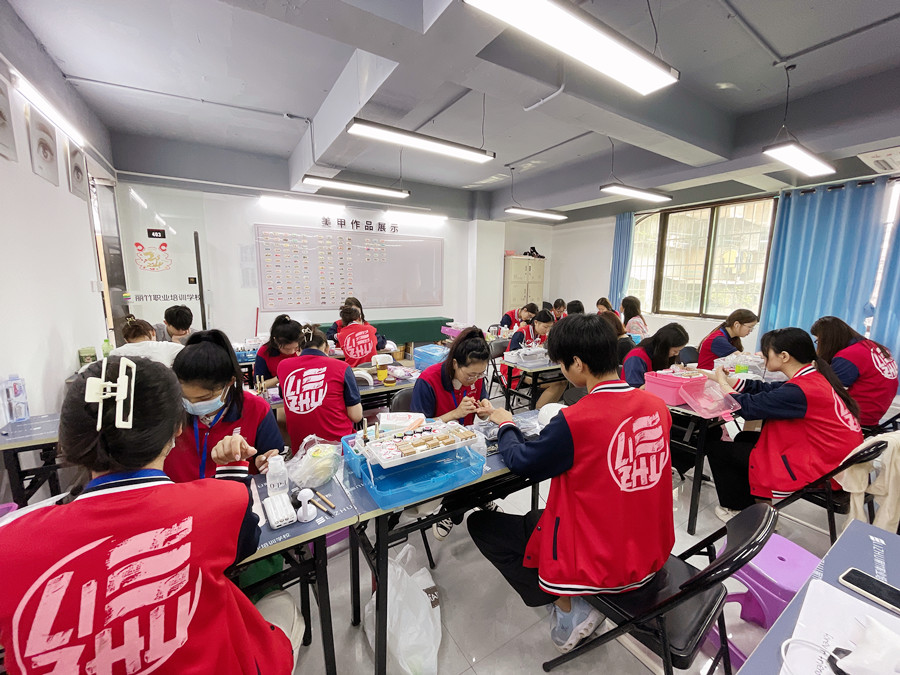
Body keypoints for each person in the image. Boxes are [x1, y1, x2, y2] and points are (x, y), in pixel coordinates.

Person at [0, 357, 300, 673]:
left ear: (67, 439)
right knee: (280, 604)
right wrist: (233, 469)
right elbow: (243, 540)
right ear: (176, 429)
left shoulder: (11, 542)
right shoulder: (217, 503)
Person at [467, 314, 674, 654]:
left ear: (578, 363)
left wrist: (505, 423)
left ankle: (568, 608)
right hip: (649, 548)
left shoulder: (576, 419)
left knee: (482, 525)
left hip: (605, 560)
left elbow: (521, 461)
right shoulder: (656, 406)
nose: (562, 371)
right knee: (535, 518)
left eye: (562, 364)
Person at [705, 327, 864, 522]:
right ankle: (759, 506)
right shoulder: (813, 377)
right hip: (833, 458)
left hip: (825, 468)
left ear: (784, 356)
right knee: (745, 437)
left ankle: (741, 512)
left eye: (766, 353)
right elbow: (766, 389)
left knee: (718, 449)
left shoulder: (801, 390)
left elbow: (747, 408)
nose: (763, 357)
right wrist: (719, 377)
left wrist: (722, 383)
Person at [411, 327, 496, 540]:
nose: (475, 379)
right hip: (435, 447)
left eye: (480, 374)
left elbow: (481, 405)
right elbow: (417, 428)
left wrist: (484, 409)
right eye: (470, 375)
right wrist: (455, 414)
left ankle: (476, 496)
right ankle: (451, 509)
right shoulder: (428, 381)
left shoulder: (476, 377)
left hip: (464, 443)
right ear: (456, 364)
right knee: (459, 471)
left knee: (491, 465)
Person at [167, 330, 283, 482]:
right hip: (179, 493)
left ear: (230, 382)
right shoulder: (168, 410)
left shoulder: (256, 409)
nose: (192, 404)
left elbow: (272, 457)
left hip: (237, 492)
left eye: (204, 398)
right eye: (185, 397)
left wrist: (266, 463)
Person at [278, 324, 363, 445]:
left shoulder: (283, 366)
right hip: (338, 447)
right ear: (327, 348)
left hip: (301, 448)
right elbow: (356, 416)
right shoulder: (341, 367)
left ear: (298, 350)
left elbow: (285, 397)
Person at [811, 316, 899, 426]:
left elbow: (825, 390)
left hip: (854, 417)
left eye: (818, 341)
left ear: (828, 340)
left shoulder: (849, 356)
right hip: (873, 414)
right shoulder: (873, 346)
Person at [509, 309, 567, 409]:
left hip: (535, 368)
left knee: (564, 382)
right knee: (557, 383)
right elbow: (514, 354)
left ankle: (547, 409)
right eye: (545, 327)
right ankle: (538, 410)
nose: (547, 330)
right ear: (536, 322)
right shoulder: (521, 333)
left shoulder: (541, 335)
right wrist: (533, 350)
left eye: (550, 327)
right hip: (517, 370)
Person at [623, 323, 689, 387]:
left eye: (679, 351)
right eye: (675, 351)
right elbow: (636, 389)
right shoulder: (636, 357)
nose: (677, 354)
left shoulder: (659, 355)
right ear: (664, 347)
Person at [105, 314, 183, 367]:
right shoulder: (166, 347)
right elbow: (188, 355)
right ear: (153, 332)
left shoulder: (115, 354)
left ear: (126, 340)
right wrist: (177, 342)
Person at [255, 314, 302, 388]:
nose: (293, 352)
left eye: (296, 348)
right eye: (287, 349)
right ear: (276, 341)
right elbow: (259, 385)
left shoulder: (304, 349)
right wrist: (280, 376)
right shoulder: (265, 352)